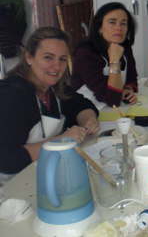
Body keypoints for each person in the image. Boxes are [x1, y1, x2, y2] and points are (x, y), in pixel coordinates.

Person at [0, 27, 99, 181]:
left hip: (42, 174)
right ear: (29, 57)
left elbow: (81, 105)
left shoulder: (54, 88)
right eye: (48, 57)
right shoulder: (11, 96)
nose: (57, 66)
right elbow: (8, 160)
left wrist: (88, 119)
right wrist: (61, 141)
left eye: (62, 59)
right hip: (10, 186)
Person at [71, 2, 138, 109]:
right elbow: (112, 100)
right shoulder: (85, 55)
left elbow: (132, 76)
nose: (118, 28)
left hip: (112, 108)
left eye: (123, 23)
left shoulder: (124, 48)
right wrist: (115, 62)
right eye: (112, 22)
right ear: (99, 28)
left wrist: (128, 89)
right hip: (86, 111)